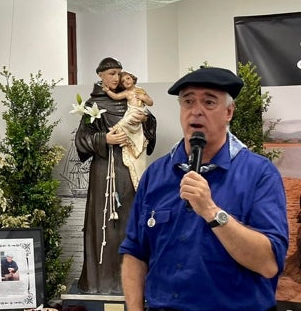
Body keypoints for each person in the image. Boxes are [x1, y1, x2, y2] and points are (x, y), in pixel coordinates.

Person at [120, 67, 288, 311]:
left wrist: (211, 211)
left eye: (209, 102)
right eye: (188, 101)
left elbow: (269, 263)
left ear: (229, 112)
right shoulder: (156, 175)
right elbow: (135, 251)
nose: (196, 110)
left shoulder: (259, 174)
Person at [74, 57, 157, 294]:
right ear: (100, 75)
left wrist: (147, 119)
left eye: (119, 73)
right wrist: (105, 139)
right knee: (104, 224)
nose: (117, 78)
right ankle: (101, 281)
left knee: (130, 220)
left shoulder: (131, 96)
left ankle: (131, 282)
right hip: (104, 173)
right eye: (112, 73)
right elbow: (81, 140)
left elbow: (148, 128)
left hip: (130, 170)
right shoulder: (93, 104)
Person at [102, 71, 153, 190]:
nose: (127, 82)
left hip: (139, 112)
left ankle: (119, 130)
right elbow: (115, 96)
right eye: (123, 82)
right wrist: (107, 91)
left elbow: (150, 103)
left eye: (128, 78)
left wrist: (143, 99)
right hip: (131, 113)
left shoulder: (140, 91)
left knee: (129, 121)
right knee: (127, 120)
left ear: (133, 78)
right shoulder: (126, 93)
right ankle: (119, 131)